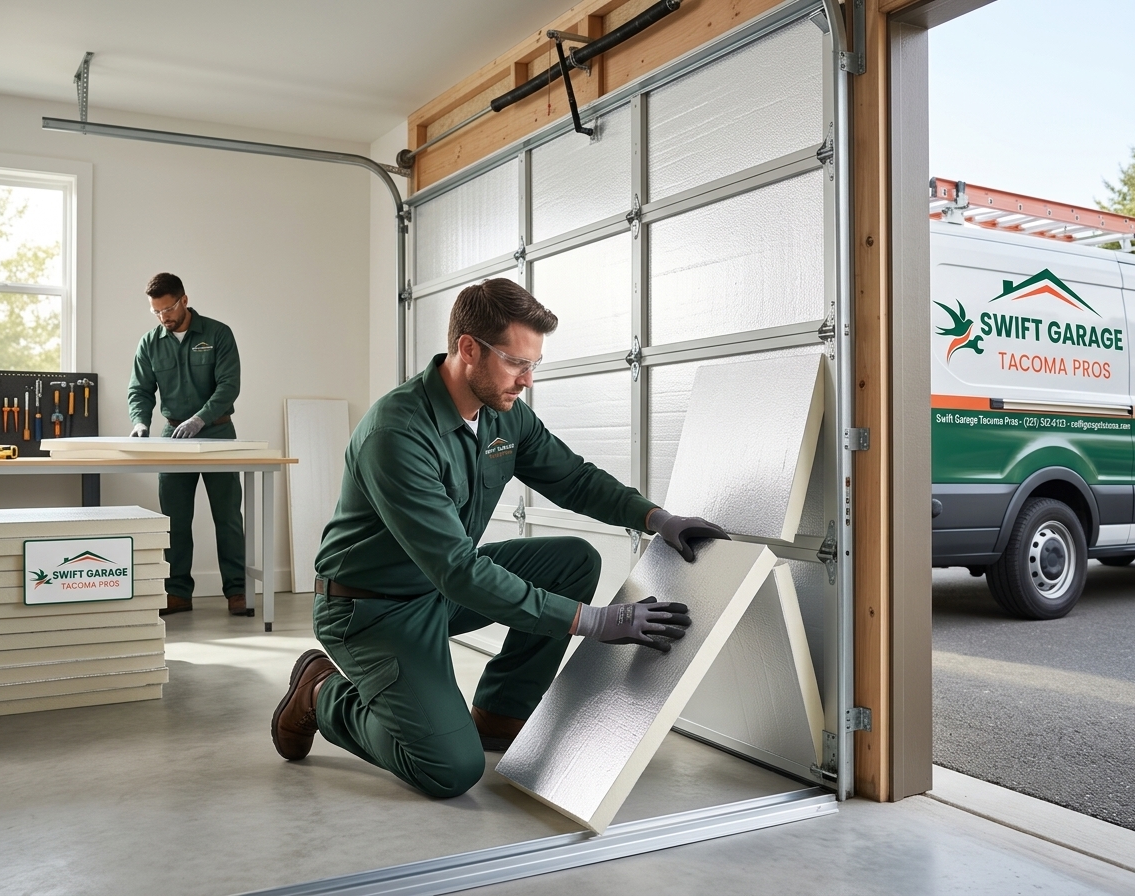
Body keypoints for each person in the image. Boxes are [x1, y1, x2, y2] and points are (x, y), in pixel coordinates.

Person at [270, 278, 728, 798]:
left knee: (572, 560)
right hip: (372, 611)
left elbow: (573, 478)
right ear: (468, 348)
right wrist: (595, 621)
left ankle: (499, 711)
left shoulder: (502, 416)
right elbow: (459, 571)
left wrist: (655, 517)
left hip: (437, 589)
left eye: (534, 364)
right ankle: (321, 691)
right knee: (449, 769)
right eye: (516, 362)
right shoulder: (396, 435)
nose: (527, 380)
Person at [127, 272, 247, 617]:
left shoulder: (218, 334)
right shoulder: (150, 343)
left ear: (184, 300)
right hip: (174, 436)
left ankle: (237, 590)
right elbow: (140, 389)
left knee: (227, 517)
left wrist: (202, 418)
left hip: (217, 434)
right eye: (156, 312)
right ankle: (177, 592)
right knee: (174, 519)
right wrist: (140, 421)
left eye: (167, 308)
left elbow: (228, 385)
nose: (163, 317)